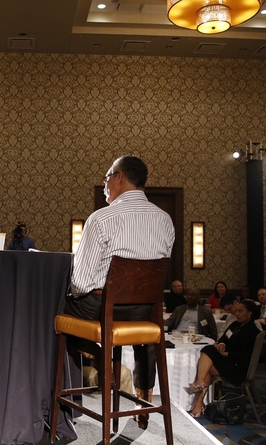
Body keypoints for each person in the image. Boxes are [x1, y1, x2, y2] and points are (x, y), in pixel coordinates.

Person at [65, 155, 175, 429]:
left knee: (50, 313)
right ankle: (143, 402)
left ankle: (93, 357)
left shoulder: (101, 218)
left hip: (102, 310)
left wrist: (66, 289)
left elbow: (80, 282)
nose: (104, 184)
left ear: (120, 176)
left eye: (106, 177)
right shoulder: (166, 221)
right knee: (143, 337)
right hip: (145, 312)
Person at [187, 299, 262, 418]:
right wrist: (221, 345)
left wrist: (224, 354)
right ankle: (199, 401)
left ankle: (199, 387)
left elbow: (244, 356)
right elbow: (223, 339)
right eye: (236, 311)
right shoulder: (235, 325)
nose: (237, 314)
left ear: (250, 313)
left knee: (208, 350)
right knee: (208, 365)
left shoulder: (252, 331)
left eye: (240, 311)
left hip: (238, 368)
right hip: (229, 362)